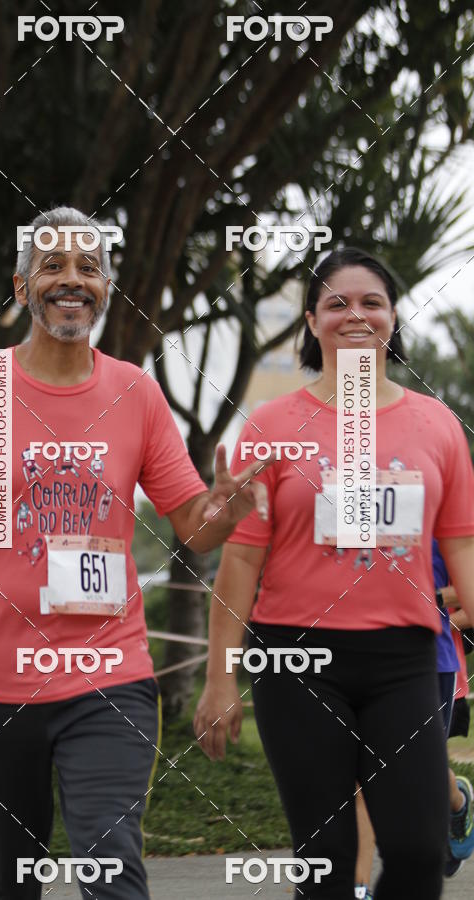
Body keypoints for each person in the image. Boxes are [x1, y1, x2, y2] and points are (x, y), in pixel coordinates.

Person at [0, 206, 270, 900]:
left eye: (89, 267)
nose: (72, 279)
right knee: (3, 884)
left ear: (107, 289)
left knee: (110, 865)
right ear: (21, 288)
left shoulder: (135, 394)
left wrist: (226, 511)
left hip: (107, 675)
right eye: (52, 265)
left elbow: (191, 525)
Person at [194, 246, 474, 899]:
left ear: (393, 318)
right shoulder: (272, 425)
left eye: (372, 302)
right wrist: (219, 678)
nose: (356, 315)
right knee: (326, 859)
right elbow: (240, 559)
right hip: (296, 660)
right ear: (312, 322)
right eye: (336, 303)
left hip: (404, 659)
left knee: (418, 851)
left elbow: (462, 548)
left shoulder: (435, 424)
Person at [353, 539, 474, 895]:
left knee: (416, 774)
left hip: (430, 664)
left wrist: (420, 602)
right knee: (362, 776)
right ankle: (358, 888)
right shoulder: (352, 509)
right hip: (359, 659)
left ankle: (456, 804)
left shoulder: (447, 514)